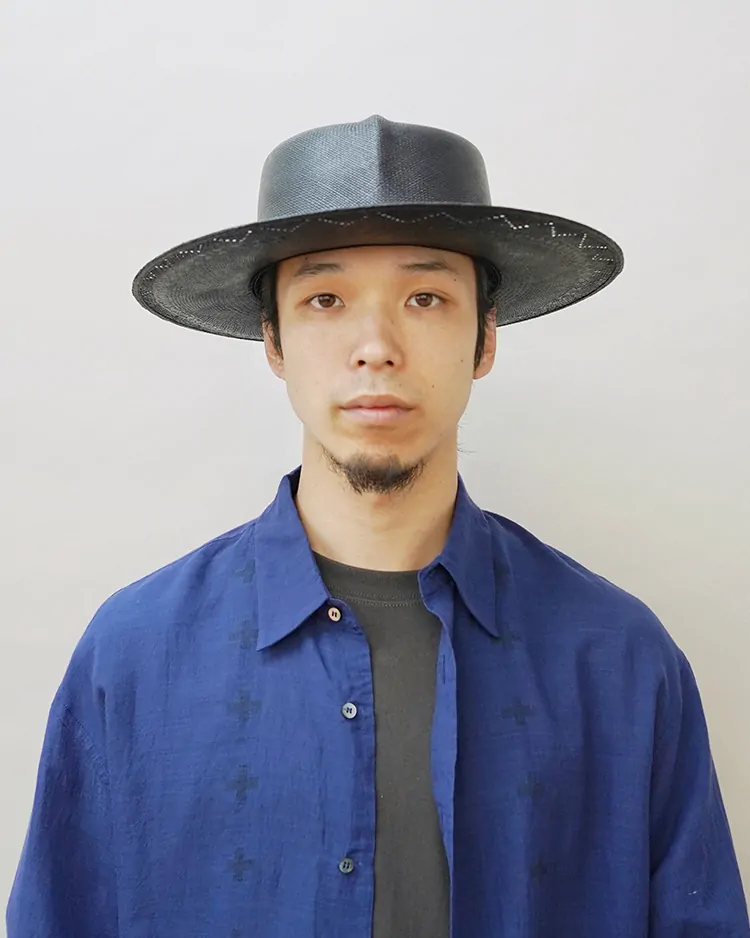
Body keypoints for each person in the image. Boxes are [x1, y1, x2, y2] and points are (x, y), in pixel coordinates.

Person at [6, 114, 749, 937]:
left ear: (485, 338)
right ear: (273, 341)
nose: (375, 347)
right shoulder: (135, 656)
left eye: (425, 298)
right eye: (325, 300)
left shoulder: (618, 658)